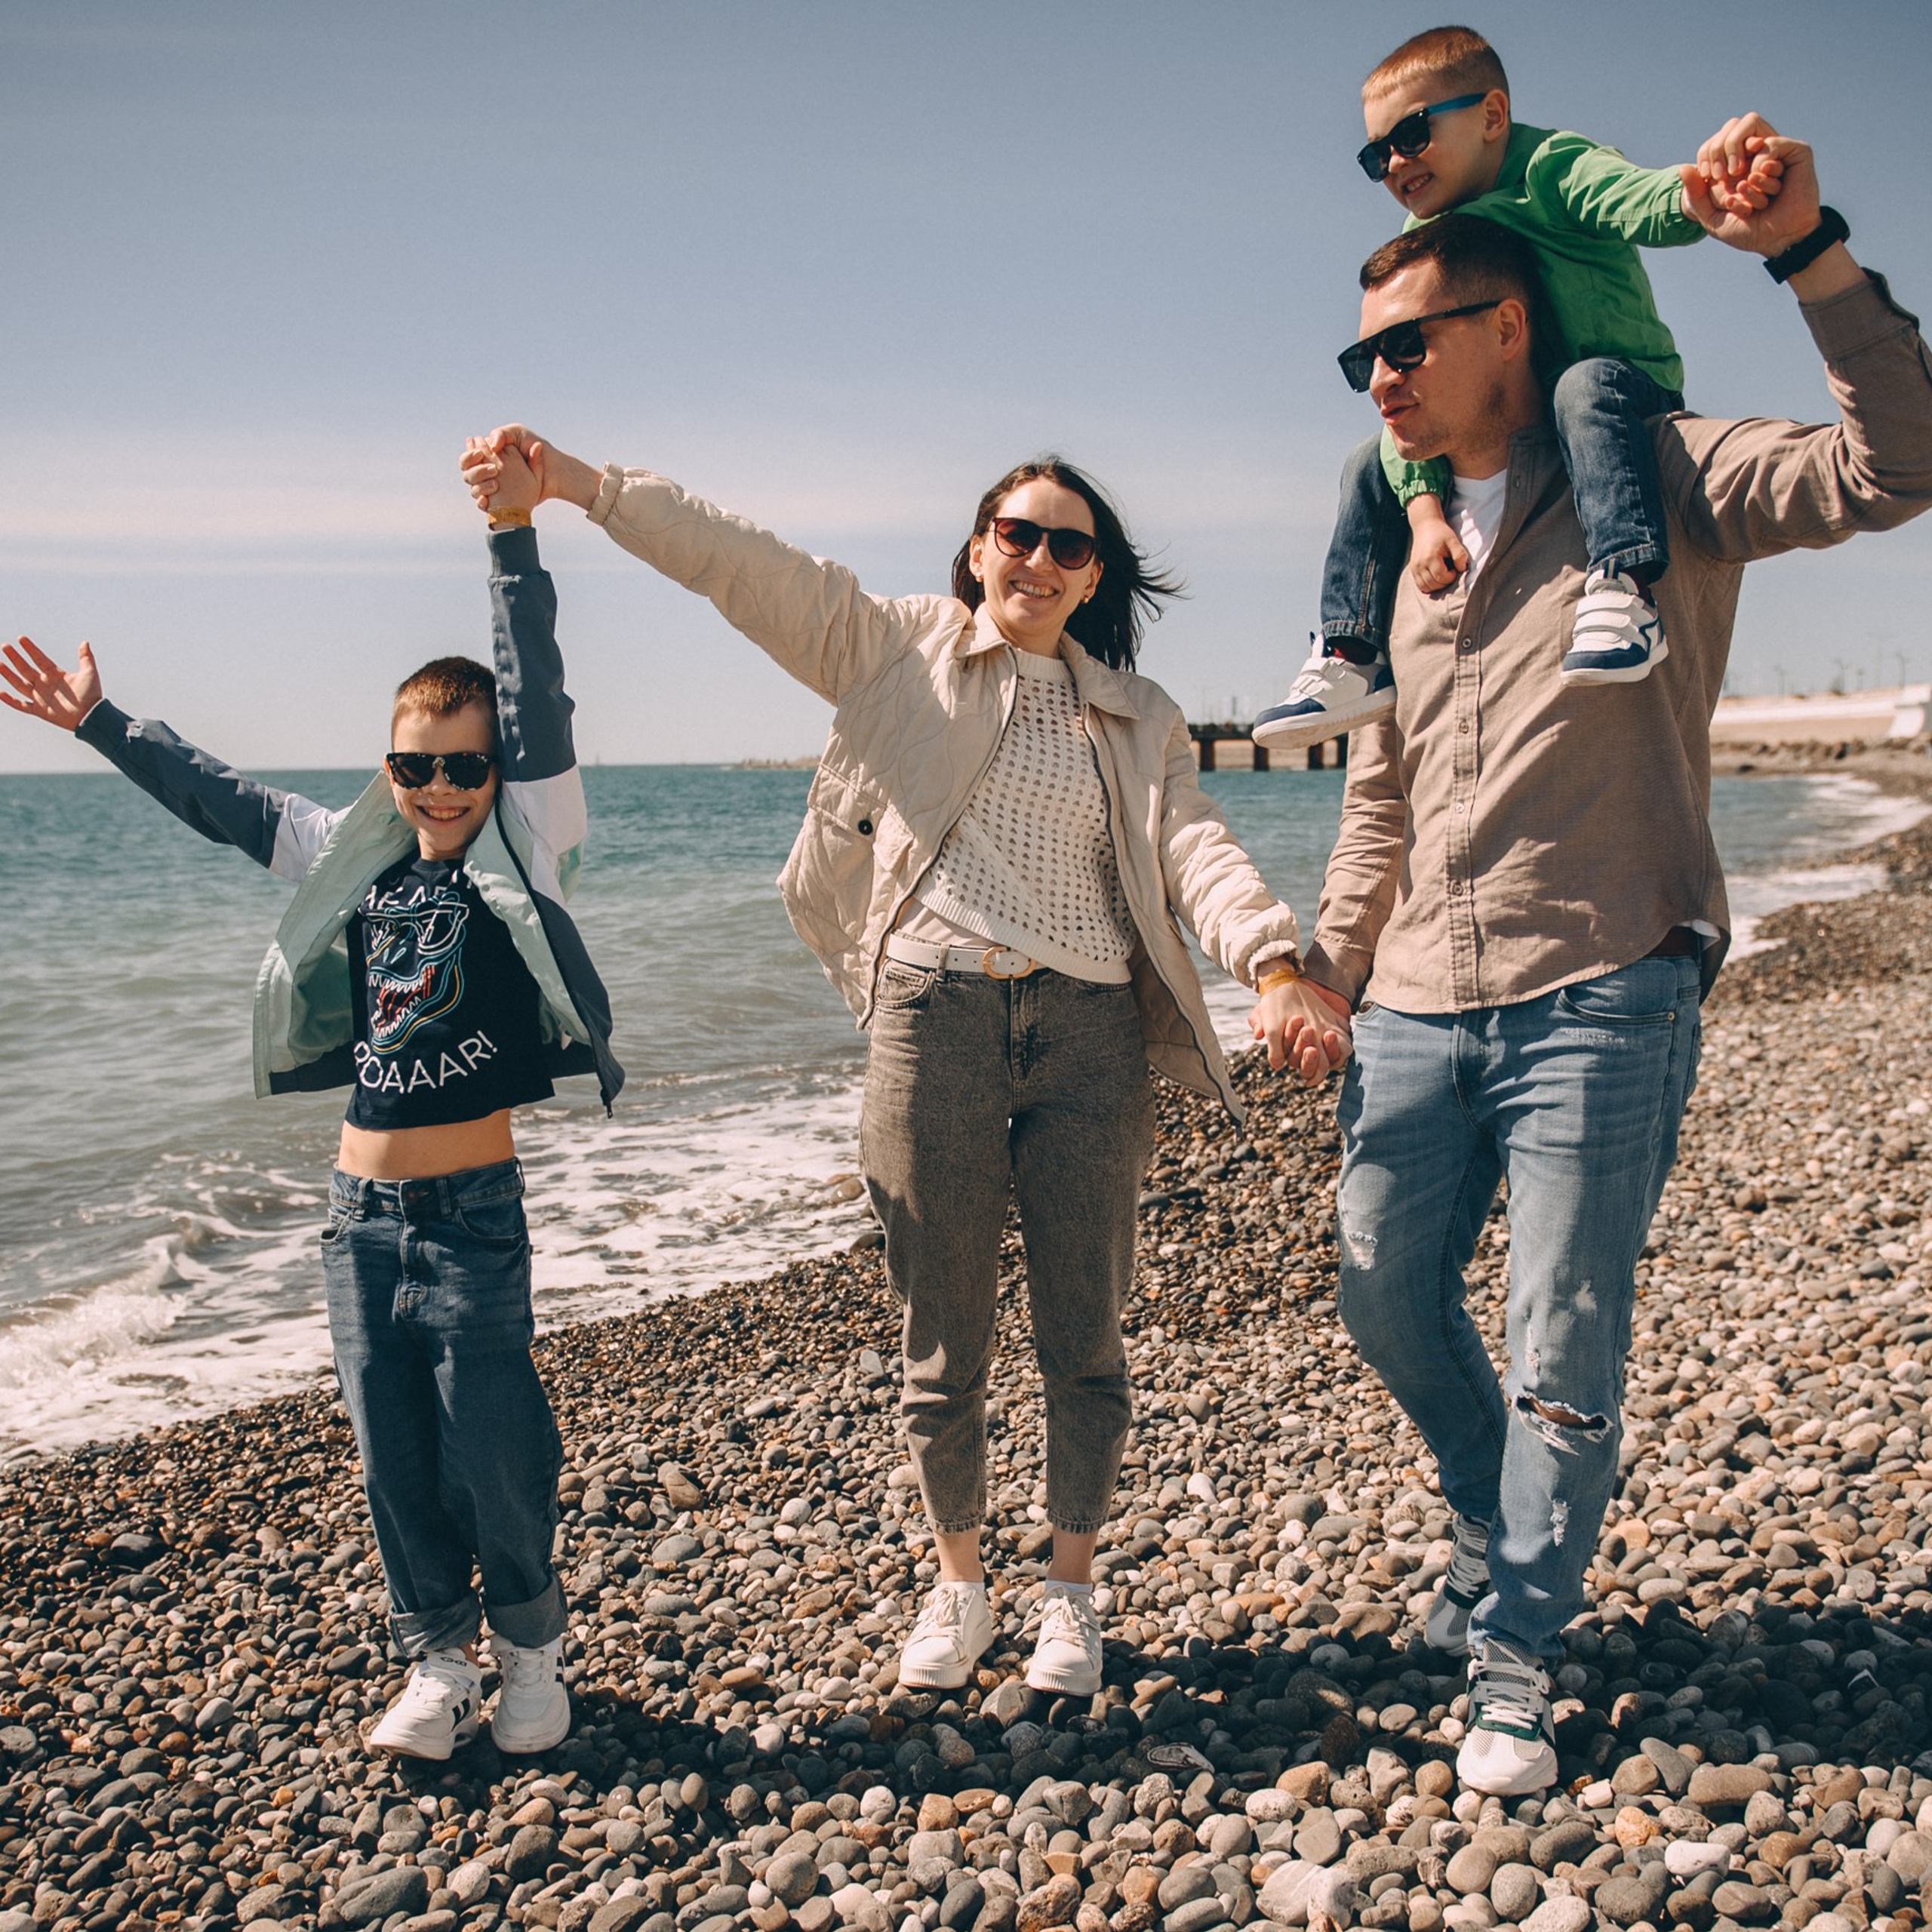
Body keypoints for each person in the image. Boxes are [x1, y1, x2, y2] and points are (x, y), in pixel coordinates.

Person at [461, 430, 1347, 1696]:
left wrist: (1269, 962)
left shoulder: (1138, 718)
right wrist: (584, 488)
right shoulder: (893, 645)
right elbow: (737, 565)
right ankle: (961, 1583)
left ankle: (1073, 1598)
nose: (1039, 558)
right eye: (1017, 534)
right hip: (934, 1019)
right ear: (980, 550)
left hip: (1091, 1036)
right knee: (943, 1338)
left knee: (1083, 1335)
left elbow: (1193, 850)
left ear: (1096, 576)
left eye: (1068, 543)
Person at [1274, 126, 1932, 1794]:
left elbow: (1892, 465)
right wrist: (1321, 964)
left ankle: (1512, 1646)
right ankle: (1511, 1520)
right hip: (1414, 999)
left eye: (1403, 342)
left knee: (1562, 1335)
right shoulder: (1406, 541)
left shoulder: (1654, 467)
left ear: (1510, 326)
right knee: (1377, 1295)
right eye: (1357, 355)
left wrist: (1808, 257)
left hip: (1605, 980)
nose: (1376, 379)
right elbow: (1380, 795)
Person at [0, 443, 622, 1761]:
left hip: (473, 1216)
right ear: (387, 768)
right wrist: (104, 725)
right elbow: (222, 801)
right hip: (357, 1219)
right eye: (416, 768)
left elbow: (536, 691)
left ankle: (529, 1649)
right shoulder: (356, 857)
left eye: (462, 767)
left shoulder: (531, 835)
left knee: (496, 1446)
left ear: (496, 770)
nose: (441, 791)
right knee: (394, 1456)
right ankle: (438, 1663)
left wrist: (512, 540)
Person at [1254, 24, 1783, 753]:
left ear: (1492, 117)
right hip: (1533, 411)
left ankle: (1625, 588)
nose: (1394, 164)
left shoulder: (1553, 167)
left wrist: (1704, 197)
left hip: (1623, 391)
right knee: (1366, 460)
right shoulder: (1429, 230)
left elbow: (1637, 199)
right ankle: (1351, 656)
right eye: (1376, 154)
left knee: (1581, 387)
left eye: (1410, 136)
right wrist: (1426, 516)